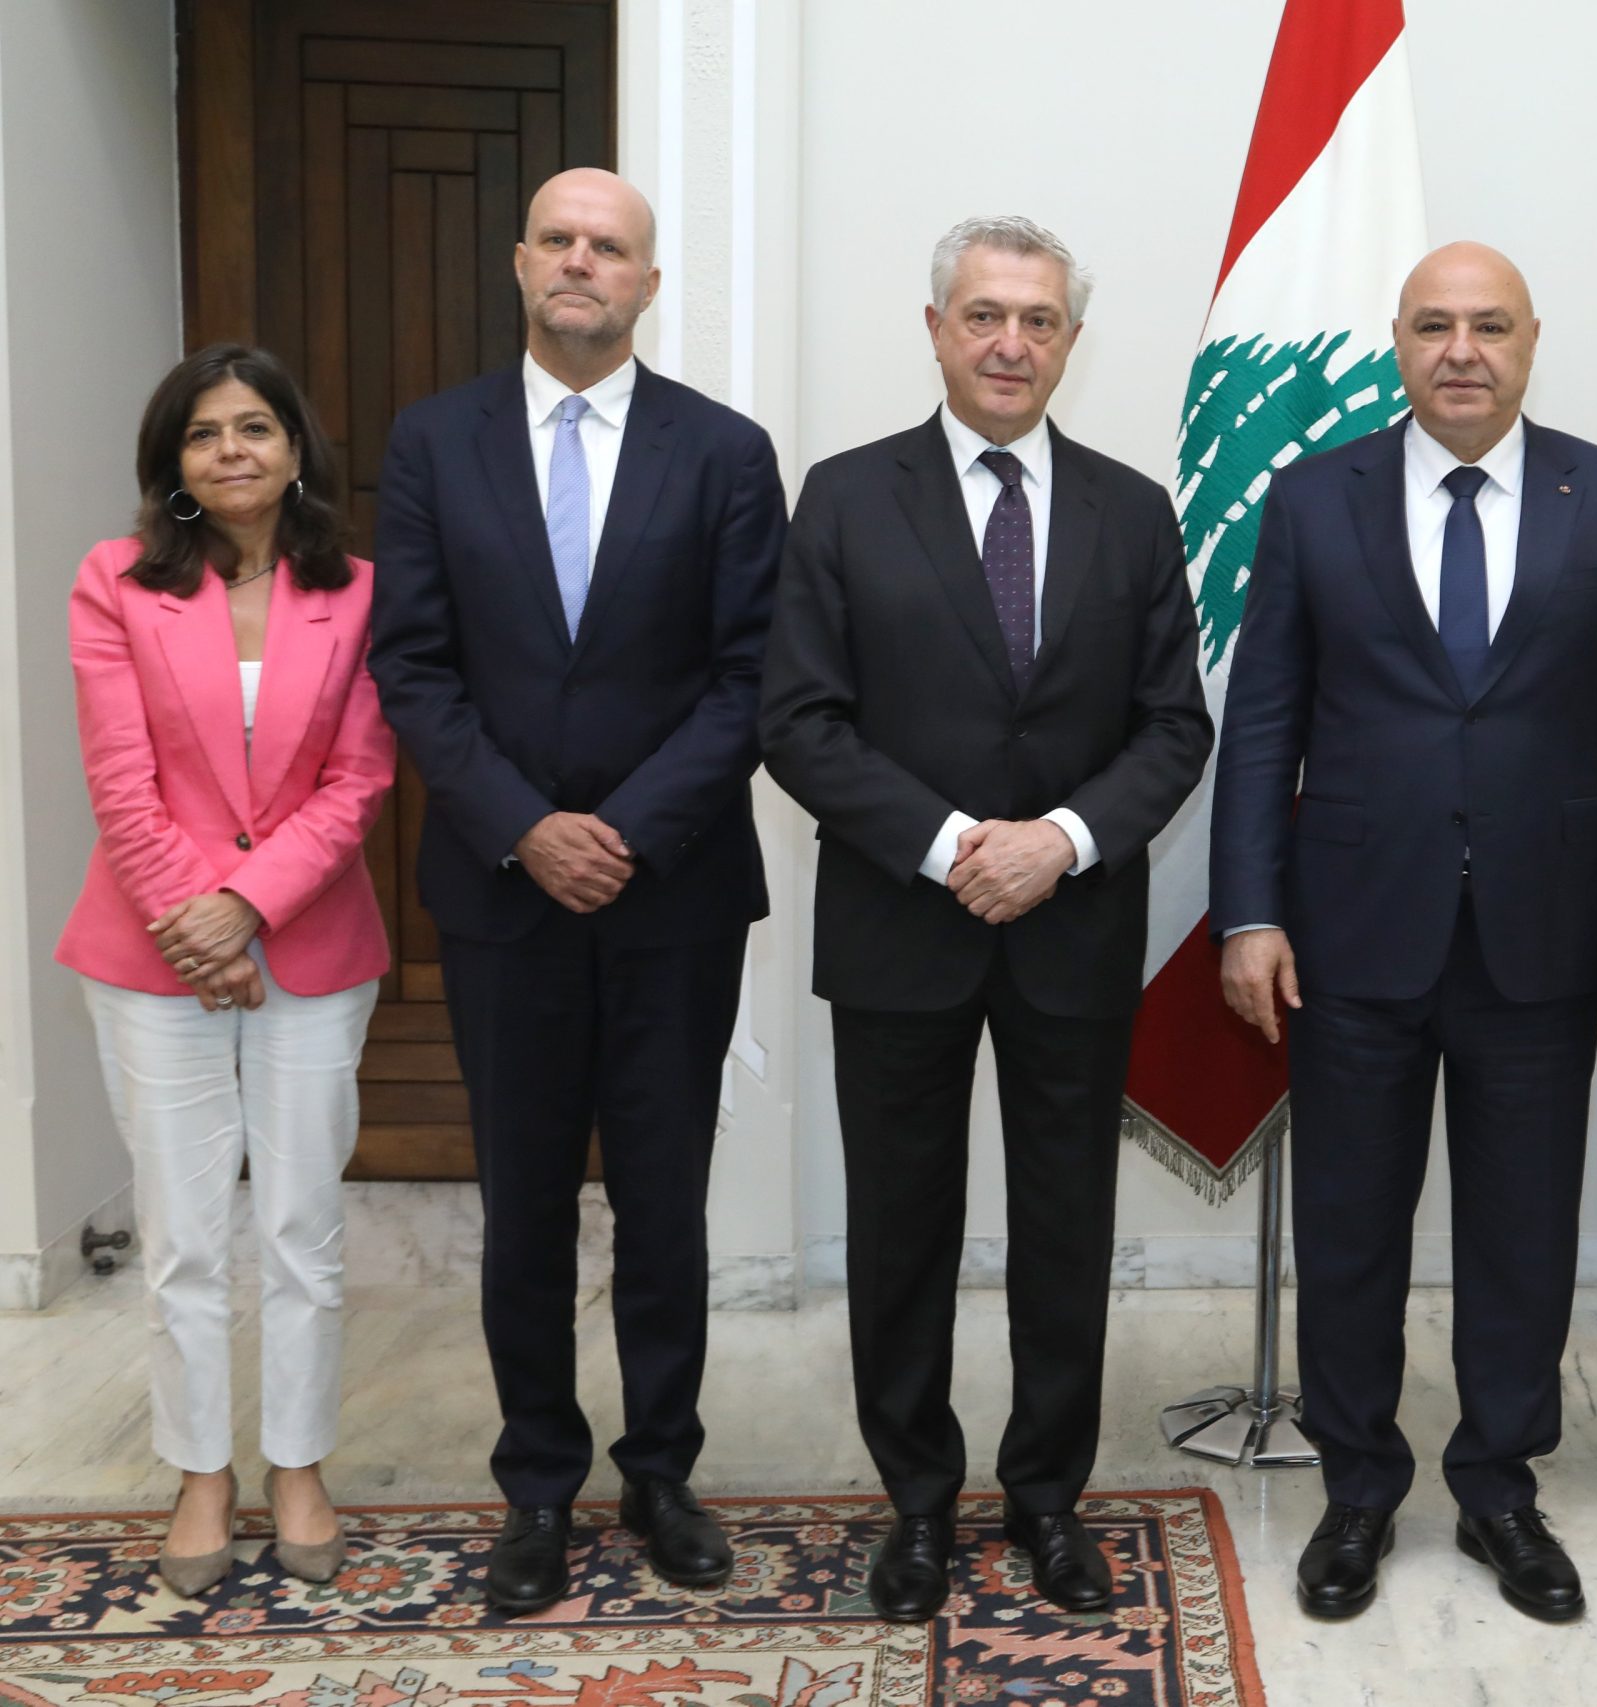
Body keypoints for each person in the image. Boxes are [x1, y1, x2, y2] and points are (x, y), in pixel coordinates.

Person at [1212, 242, 1597, 1624]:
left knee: (1521, 1232)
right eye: (1435, 326)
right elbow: (1264, 722)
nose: (1462, 351)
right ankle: (1358, 1487)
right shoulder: (1315, 497)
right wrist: (1248, 909)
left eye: (1489, 326)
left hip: (1546, 932)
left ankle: (1498, 1488)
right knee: (1349, 1229)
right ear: (1399, 342)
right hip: (1350, 933)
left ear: (1532, 340)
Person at [760, 215, 1211, 1623]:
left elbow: (1173, 725)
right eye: (984, 315)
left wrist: (1058, 844)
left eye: (1039, 320)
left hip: (1074, 932)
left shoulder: (1134, 510)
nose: (1011, 343)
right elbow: (799, 718)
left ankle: (1047, 1498)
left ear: (1071, 340)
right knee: (902, 1229)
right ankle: (915, 1503)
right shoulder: (845, 496)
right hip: (902, 924)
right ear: (937, 328)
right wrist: (958, 846)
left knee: (1065, 1228)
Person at [368, 168, 786, 1613]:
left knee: (665, 1202)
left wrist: (623, 829)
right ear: (518, 262)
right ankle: (537, 1484)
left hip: (673, 894)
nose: (580, 262)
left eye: (609, 247)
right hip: (502, 892)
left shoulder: (725, 452)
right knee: (527, 1201)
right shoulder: (433, 442)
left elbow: (753, 677)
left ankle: (661, 1469)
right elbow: (412, 664)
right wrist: (527, 826)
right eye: (558, 238)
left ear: (648, 285)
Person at [59, 345, 394, 1596]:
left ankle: (297, 1463)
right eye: (204, 434)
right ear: (173, 463)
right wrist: (194, 923)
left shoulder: (360, 593)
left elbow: (360, 776)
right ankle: (202, 1471)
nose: (232, 450)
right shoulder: (113, 581)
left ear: (297, 449)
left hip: (313, 945)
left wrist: (249, 907)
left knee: (303, 1225)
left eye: (255, 427)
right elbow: (118, 773)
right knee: (184, 1233)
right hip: (151, 955)